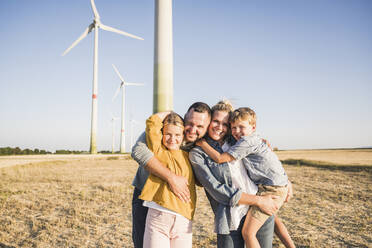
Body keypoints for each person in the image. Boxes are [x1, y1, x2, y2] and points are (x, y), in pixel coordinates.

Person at [189, 101, 294, 248]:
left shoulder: (238, 141)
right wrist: (257, 201)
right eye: (216, 121)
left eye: (225, 124)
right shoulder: (198, 153)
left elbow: (266, 163)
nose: (220, 127)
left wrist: (285, 181)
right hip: (231, 216)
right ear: (208, 121)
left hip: (260, 206)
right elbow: (217, 190)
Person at [130, 102, 212, 248]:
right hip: (148, 197)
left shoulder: (201, 145)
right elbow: (138, 151)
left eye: (200, 127)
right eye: (190, 123)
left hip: (180, 212)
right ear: (184, 118)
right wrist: (171, 178)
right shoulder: (167, 126)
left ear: (207, 127)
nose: (193, 130)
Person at [139, 111, 196, 247]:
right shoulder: (158, 150)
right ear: (162, 134)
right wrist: (169, 112)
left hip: (184, 220)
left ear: (183, 136)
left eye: (177, 135)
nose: (172, 139)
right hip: (158, 217)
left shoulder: (190, 156)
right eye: (168, 134)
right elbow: (152, 123)